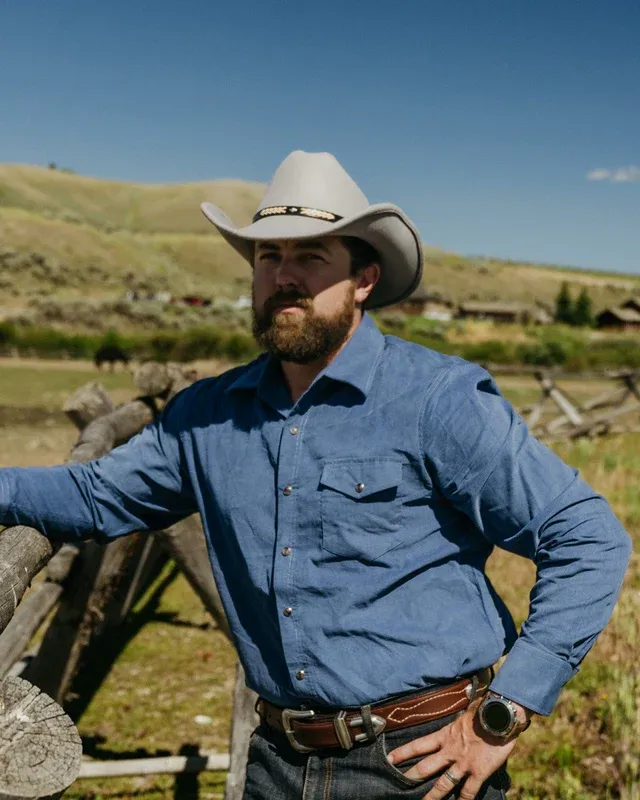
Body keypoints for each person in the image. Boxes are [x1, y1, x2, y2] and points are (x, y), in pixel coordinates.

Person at [0, 151, 631, 800]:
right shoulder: (207, 417)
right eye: (268, 257)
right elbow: (94, 495)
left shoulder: (437, 399)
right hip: (277, 760)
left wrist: (506, 710)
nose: (284, 276)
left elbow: (585, 535)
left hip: (420, 764)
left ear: (364, 279)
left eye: (311, 256)